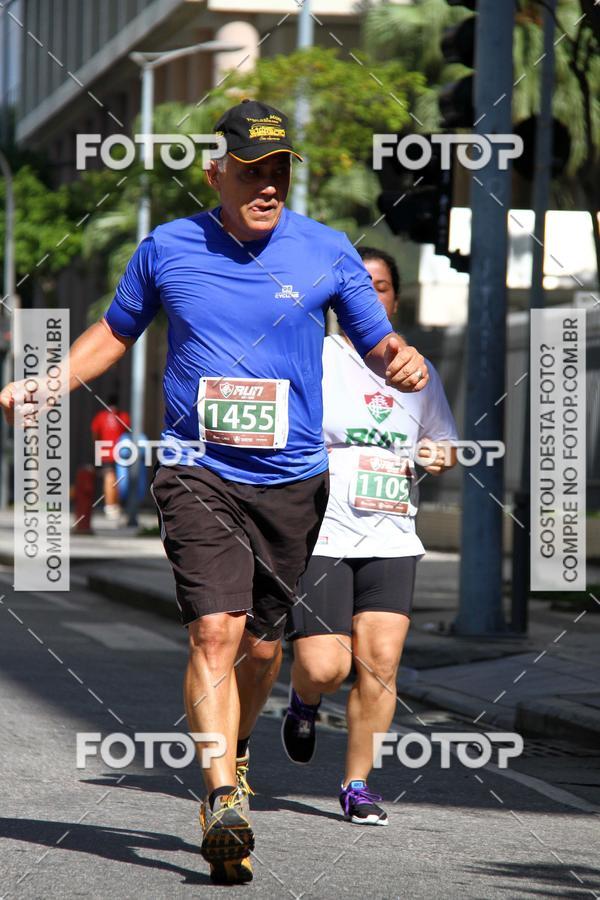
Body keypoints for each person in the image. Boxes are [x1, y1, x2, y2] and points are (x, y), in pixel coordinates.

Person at [0, 101, 429, 884]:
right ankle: (222, 796)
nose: (268, 185)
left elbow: (379, 342)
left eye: (279, 171)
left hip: (292, 478)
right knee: (216, 634)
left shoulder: (327, 251)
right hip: (196, 467)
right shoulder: (166, 248)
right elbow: (113, 333)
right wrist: (50, 380)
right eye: (252, 170)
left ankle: (235, 746)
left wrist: (404, 362)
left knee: (264, 647)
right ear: (216, 171)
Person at [282, 246, 458, 827]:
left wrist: (438, 454)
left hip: (392, 533)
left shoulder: (416, 370)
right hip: (324, 530)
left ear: (395, 298)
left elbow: (444, 441)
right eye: (360, 286)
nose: (371, 296)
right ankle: (305, 700)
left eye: (381, 287)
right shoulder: (316, 358)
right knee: (327, 667)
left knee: (381, 663)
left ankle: (357, 783)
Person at [90, 392, 131, 521]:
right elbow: (127, 434)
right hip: (121, 453)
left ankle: (111, 505)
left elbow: (95, 433)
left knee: (109, 479)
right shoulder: (123, 416)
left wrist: (98, 447)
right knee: (116, 480)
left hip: (106, 452)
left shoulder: (101, 416)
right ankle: (112, 505)